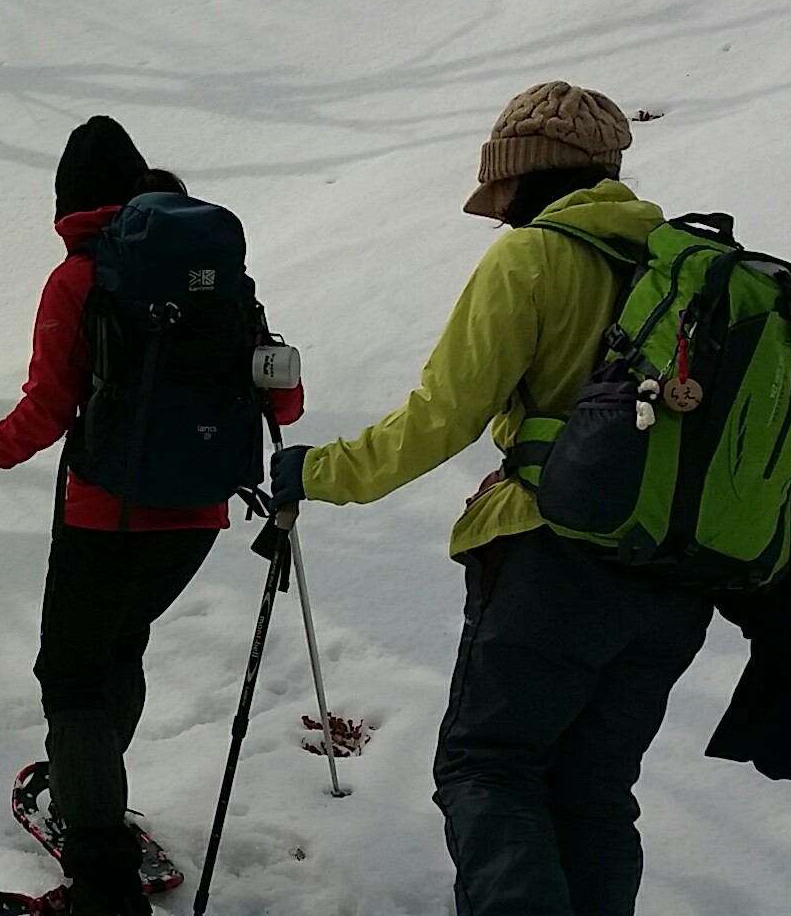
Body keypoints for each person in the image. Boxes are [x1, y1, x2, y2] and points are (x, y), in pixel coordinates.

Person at [268, 82, 714, 916]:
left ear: (527, 176)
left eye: (503, 191)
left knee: (491, 770)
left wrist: (318, 472)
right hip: (677, 577)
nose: (501, 213)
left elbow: (441, 417)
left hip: (556, 559)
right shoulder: (684, 266)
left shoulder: (535, 257)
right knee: (595, 795)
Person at [0, 117, 303, 916]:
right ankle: (88, 785)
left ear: (68, 201)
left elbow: (44, 414)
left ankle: (100, 881)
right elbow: (286, 398)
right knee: (117, 648)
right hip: (202, 511)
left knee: (70, 680)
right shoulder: (215, 277)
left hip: (105, 517)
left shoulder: (78, 280)